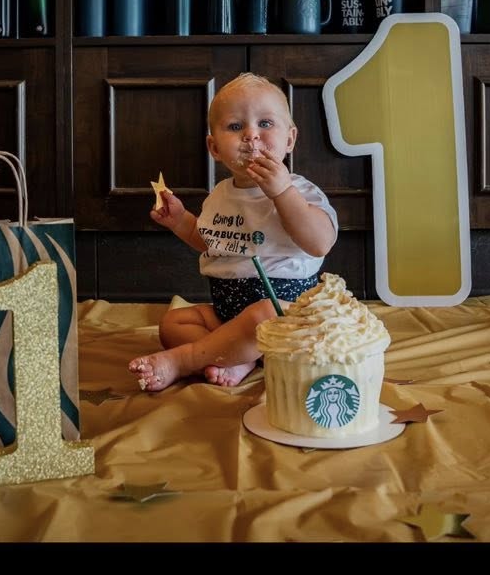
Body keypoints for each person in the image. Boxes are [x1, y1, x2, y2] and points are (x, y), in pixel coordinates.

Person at [129, 72, 338, 392]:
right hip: (228, 313)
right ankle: (235, 355)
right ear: (214, 147)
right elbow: (216, 244)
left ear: (290, 140)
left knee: (263, 316)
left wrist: (281, 193)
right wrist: (182, 221)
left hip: (285, 316)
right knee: (174, 322)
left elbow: (321, 242)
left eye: (266, 124)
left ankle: (185, 359)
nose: (251, 136)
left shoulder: (300, 191)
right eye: (235, 127)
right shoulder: (221, 195)